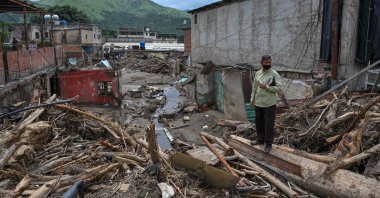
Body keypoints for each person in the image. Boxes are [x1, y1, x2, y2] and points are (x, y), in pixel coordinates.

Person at [250, 55, 282, 153]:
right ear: (262, 63)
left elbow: (279, 88)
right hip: (258, 103)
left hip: (269, 104)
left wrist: (267, 87)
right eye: (266, 63)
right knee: (259, 123)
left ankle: (268, 144)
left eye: (269, 63)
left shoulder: (274, 74)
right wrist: (252, 99)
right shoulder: (258, 73)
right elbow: (254, 88)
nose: (268, 64)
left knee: (269, 125)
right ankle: (260, 140)